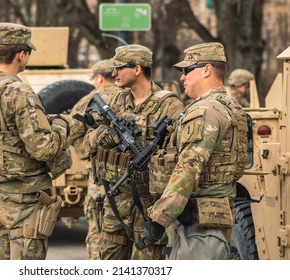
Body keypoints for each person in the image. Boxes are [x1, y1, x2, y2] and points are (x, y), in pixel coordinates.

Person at [0, 22, 70, 260]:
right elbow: (43, 148)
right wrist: (62, 126)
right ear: (22, 54)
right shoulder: (19, 92)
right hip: (23, 203)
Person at [146, 42, 248, 259]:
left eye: (186, 70)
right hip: (209, 218)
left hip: (198, 226)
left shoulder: (206, 110)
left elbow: (189, 167)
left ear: (207, 70)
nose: (182, 77)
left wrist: (159, 216)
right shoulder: (229, 105)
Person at [83, 44, 184, 260]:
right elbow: (87, 143)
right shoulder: (116, 102)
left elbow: (181, 155)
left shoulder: (169, 106)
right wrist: (103, 136)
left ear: (137, 69)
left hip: (149, 204)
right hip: (116, 201)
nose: (113, 73)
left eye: (119, 68)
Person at [68, 58, 120, 260]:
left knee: (99, 230)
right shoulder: (130, 95)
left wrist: (86, 153)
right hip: (132, 176)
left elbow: (72, 131)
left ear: (99, 78)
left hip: (100, 179)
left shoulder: (89, 100)